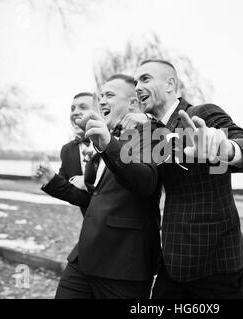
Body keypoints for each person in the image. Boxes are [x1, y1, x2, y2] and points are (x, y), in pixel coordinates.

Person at [83, 59, 243, 298]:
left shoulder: (201, 115)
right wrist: (107, 144)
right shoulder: (147, 132)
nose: (137, 87)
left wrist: (226, 149)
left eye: (145, 79)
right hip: (172, 263)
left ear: (170, 84)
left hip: (217, 267)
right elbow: (142, 180)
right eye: (135, 82)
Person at [53, 74, 162, 299]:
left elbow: (145, 183)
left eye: (109, 95)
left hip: (124, 264)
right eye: (101, 95)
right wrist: (52, 182)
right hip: (83, 258)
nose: (101, 100)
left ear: (132, 103)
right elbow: (97, 197)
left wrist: (108, 144)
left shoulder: (149, 132)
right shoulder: (105, 137)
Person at [35, 92, 96, 215]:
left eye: (83, 107)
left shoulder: (114, 140)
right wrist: (50, 179)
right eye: (72, 108)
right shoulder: (68, 150)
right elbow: (80, 197)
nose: (75, 112)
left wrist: (88, 182)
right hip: (91, 225)